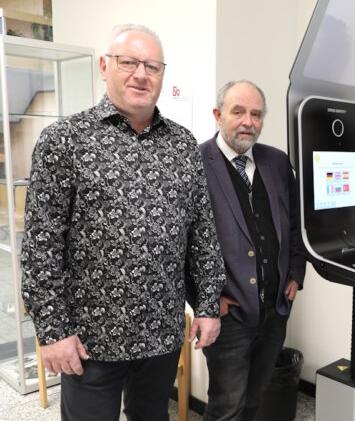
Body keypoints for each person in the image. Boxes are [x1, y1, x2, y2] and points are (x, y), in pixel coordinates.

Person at [20, 24, 227, 421]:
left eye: (152, 66)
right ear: (104, 66)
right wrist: (52, 331)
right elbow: (40, 248)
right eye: (128, 62)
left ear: (162, 74)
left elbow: (202, 232)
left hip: (161, 332)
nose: (141, 74)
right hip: (88, 339)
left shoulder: (183, 145)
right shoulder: (65, 140)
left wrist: (207, 305)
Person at [193, 80, 306, 421]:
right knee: (227, 407)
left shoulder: (277, 162)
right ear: (217, 115)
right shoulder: (196, 164)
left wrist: (296, 274)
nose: (248, 122)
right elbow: (181, 245)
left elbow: (294, 223)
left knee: (256, 401)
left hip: (275, 311)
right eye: (238, 112)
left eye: (256, 114)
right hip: (229, 318)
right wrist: (207, 301)